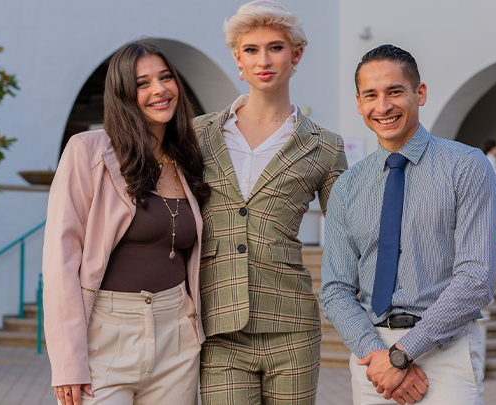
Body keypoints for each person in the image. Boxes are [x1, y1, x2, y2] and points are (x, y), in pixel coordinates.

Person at [320, 45, 496, 405]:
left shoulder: (467, 167)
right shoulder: (347, 186)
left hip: (445, 349)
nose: (383, 106)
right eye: (371, 95)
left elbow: (476, 279)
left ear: (420, 93)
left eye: (395, 91)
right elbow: (335, 289)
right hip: (372, 358)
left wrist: (403, 353)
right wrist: (377, 355)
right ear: (359, 103)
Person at [192, 1, 347, 403]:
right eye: (251, 50)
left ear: (296, 55)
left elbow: (348, 237)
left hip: (292, 323)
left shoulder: (325, 146)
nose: (264, 60)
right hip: (218, 325)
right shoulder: (199, 135)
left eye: (275, 48)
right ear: (237, 58)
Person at [42, 41, 210, 405]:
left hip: (177, 335)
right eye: (142, 83)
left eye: (166, 78)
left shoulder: (188, 158)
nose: (159, 90)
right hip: (106, 334)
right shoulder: (88, 151)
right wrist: (67, 362)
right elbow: (60, 261)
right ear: (122, 94)